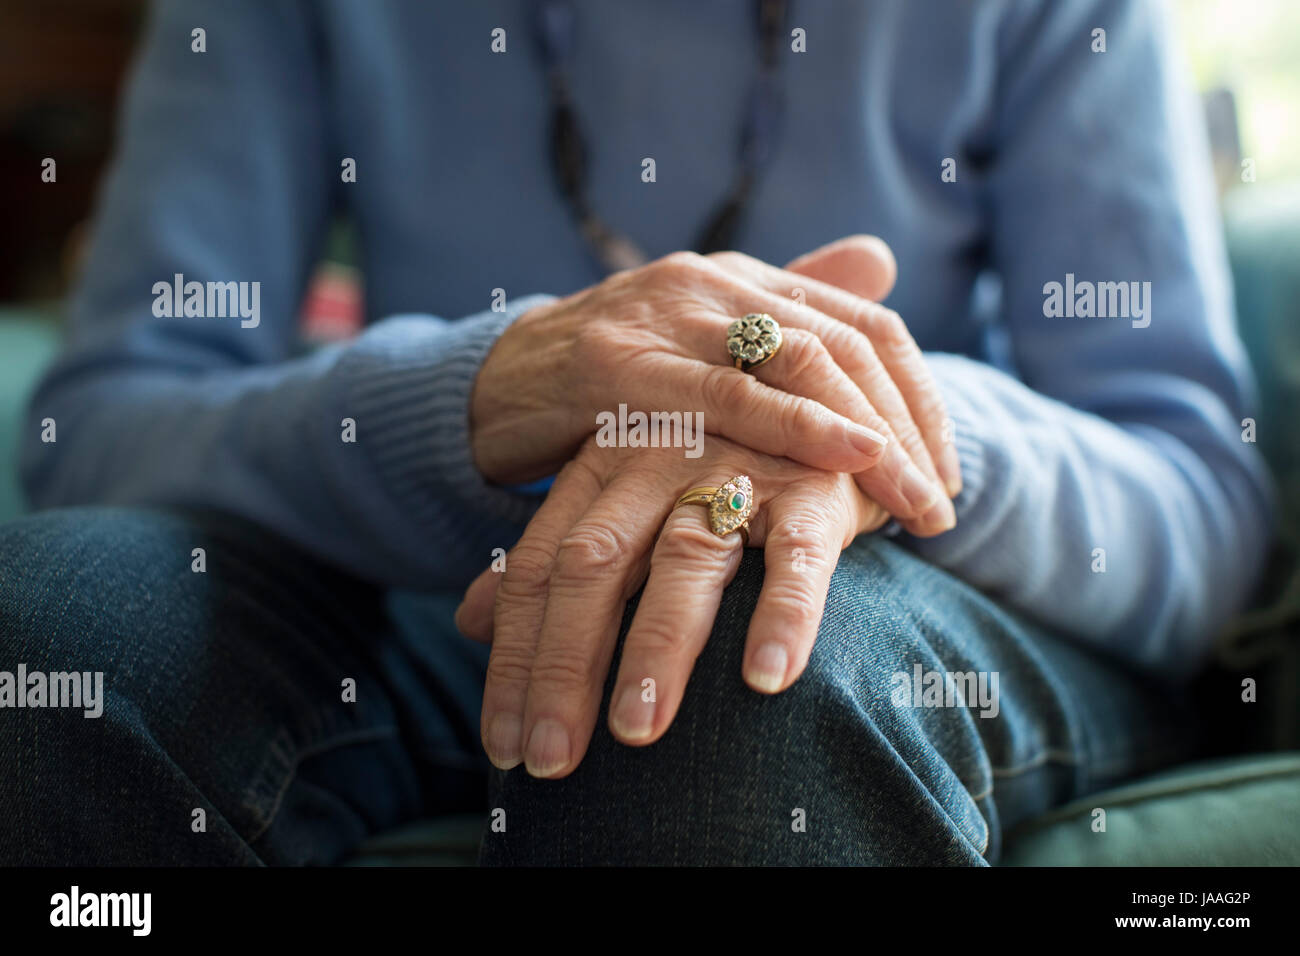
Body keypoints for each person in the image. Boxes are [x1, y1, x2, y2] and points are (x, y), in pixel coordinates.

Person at [0, 0, 1273, 865]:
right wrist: (473, 394)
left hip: (915, 600)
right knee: (49, 623)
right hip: (437, 609)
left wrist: (864, 426)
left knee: (732, 660)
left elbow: (1191, 491)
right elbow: (100, 423)